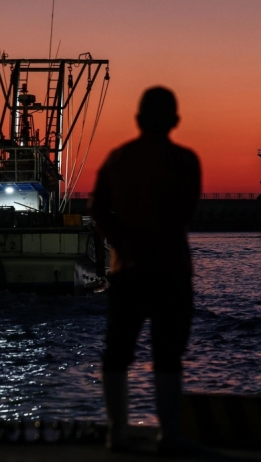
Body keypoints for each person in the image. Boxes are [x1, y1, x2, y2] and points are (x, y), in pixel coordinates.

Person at [89, 86, 201, 454]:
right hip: (171, 267)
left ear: (137, 120)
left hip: (127, 270)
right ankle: (169, 435)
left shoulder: (117, 160)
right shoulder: (186, 161)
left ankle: (116, 433)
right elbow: (186, 213)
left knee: (117, 351)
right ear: (175, 121)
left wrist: (124, 242)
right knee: (168, 353)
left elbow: (99, 209)